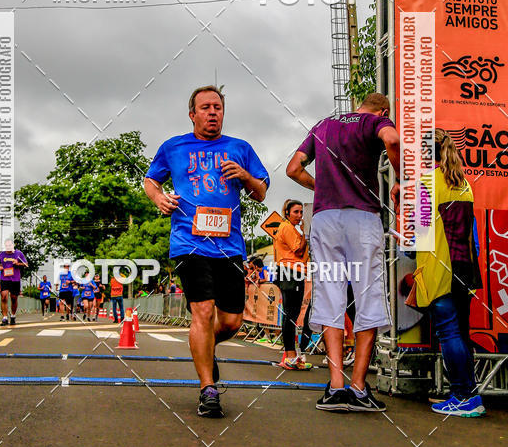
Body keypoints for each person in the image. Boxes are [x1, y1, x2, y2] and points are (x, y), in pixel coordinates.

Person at [144, 84, 269, 418]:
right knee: (202, 311)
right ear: (192, 114)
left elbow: (261, 192)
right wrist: (159, 198)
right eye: (206, 107)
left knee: (231, 322)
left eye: (218, 107)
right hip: (190, 242)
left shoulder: (240, 148)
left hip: (229, 247)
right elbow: (150, 180)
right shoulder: (173, 147)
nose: (213, 112)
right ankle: (208, 389)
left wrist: (245, 176)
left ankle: (205, 347)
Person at [287, 92, 400, 412]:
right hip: (362, 218)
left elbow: (294, 168)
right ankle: (359, 389)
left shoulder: (323, 125)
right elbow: (392, 141)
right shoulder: (375, 121)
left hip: (325, 219)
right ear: (385, 109)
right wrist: (401, 179)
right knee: (368, 298)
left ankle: (336, 387)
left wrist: (320, 187)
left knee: (330, 297)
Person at [413, 129, 484, 417]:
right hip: (465, 268)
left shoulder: (427, 182)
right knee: (461, 334)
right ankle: (470, 395)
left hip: (439, 267)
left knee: (449, 333)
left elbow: (421, 232)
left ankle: (462, 396)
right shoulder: (465, 183)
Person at [273, 200, 312, 371]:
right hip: (290, 271)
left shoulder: (289, 227)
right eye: (295, 212)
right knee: (291, 313)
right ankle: (289, 356)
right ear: (287, 213)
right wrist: (304, 233)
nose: (299, 215)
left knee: (292, 314)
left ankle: (291, 355)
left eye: (301, 212)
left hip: (292, 271)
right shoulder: (287, 227)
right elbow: (298, 250)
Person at [0, 239, 28, 326]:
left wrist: (18, 263)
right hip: (4, 278)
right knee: (3, 296)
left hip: (15, 279)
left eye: (10, 246)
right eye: (6, 246)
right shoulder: (2, 254)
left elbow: (26, 264)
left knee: (14, 298)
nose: (8, 247)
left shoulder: (18, 254)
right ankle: (4, 318)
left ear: (13, 245)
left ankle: (13, 316)